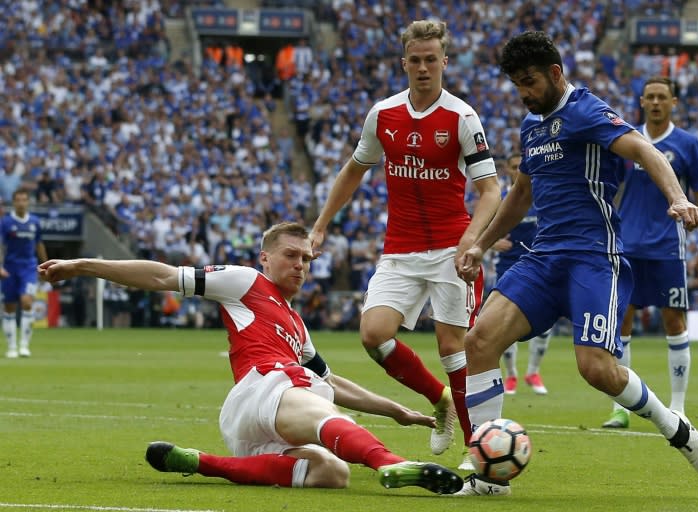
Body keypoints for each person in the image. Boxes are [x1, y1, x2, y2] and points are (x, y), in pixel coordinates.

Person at [456, 32, 698, 496]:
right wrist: (480, 242)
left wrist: (676, 198)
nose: (523, 93)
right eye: (516, 84)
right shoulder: (531, 125)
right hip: (543, 258)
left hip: (593, 258)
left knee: (595, 368)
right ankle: (489, 479)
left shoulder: (587, 111)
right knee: (479, 341)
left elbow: (644, 150)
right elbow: (519, 196)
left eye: (529, 81)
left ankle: (672, 424)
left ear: (555, 73)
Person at [38, 222, 463, 494]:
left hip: (263, 422)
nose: (300, 265)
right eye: (291, 255)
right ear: (265, 257)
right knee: (319, 406)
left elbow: (331, 382)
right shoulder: (246, 282)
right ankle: (392, 463)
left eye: (306, 259)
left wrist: (397, 412)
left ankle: (198, 462)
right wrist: (82, 265)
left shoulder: (297, 326)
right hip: (264, 388)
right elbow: (162, 275)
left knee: (332, 473)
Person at [309, 19, 501, 469]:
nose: (422, 68)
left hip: (451, 250)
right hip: (399, 249)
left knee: (453, 347)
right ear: (403, 63)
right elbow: (355, 168)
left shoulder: (462, 117)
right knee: (373, 335)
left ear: (444, 62)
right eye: (415, 60)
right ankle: (440, 402)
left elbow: (491, 190)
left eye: (431, 60)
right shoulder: (383, 114)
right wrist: (321, 225)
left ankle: (476, 451)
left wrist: (472, 241)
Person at [602, 76, 698, 429]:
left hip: (669, 248)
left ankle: (678, 407)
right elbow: (610, 189)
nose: (655, 102)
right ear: (641, 101)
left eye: (661, 97)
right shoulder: (628, 141)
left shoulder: (687, 144)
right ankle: (622, 408)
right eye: (649, 97)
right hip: (628, 246)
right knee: (621, 322)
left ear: (673, 102)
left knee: (674, 322)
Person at [492, 154, 551, 396]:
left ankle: (533, 372)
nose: (519, 171)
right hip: (508, 266)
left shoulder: (544, 198)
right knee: (505, 323)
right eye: (515, 167)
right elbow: (479, 227)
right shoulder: (501, 199)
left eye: (522, 167)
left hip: (540, 266)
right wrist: (494, 242)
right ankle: (511, 374)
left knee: (545, 325)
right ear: (507, 170)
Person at [1, 189, 47, 358]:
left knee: (27, 302)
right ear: (14, 202)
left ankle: (24, 345)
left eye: (24, 200)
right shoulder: (5, 222)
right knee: (9, 307)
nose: (21, 203)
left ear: (28, 202)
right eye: (18, 200)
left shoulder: (34, 221)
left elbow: (39, 244)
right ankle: (12, 347)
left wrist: (46, 265)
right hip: (10, 269)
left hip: (28, 267)